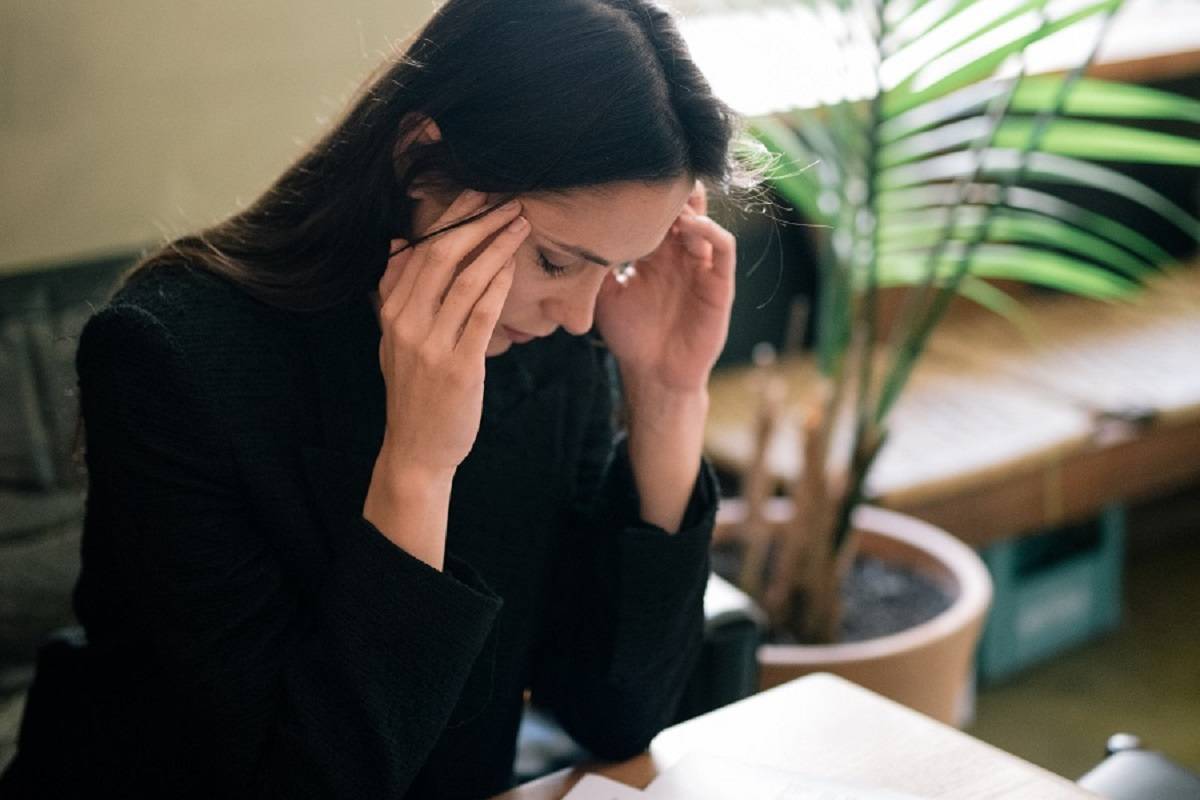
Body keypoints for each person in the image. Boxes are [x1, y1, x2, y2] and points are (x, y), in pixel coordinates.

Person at [1, 0, 759, 797]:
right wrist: (418, 468)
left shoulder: (550, 347)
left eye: (618, 268)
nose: (579, 313)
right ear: (420, 157)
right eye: (556, 261)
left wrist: (668, 396)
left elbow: (616, 713)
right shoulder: (169, 360)